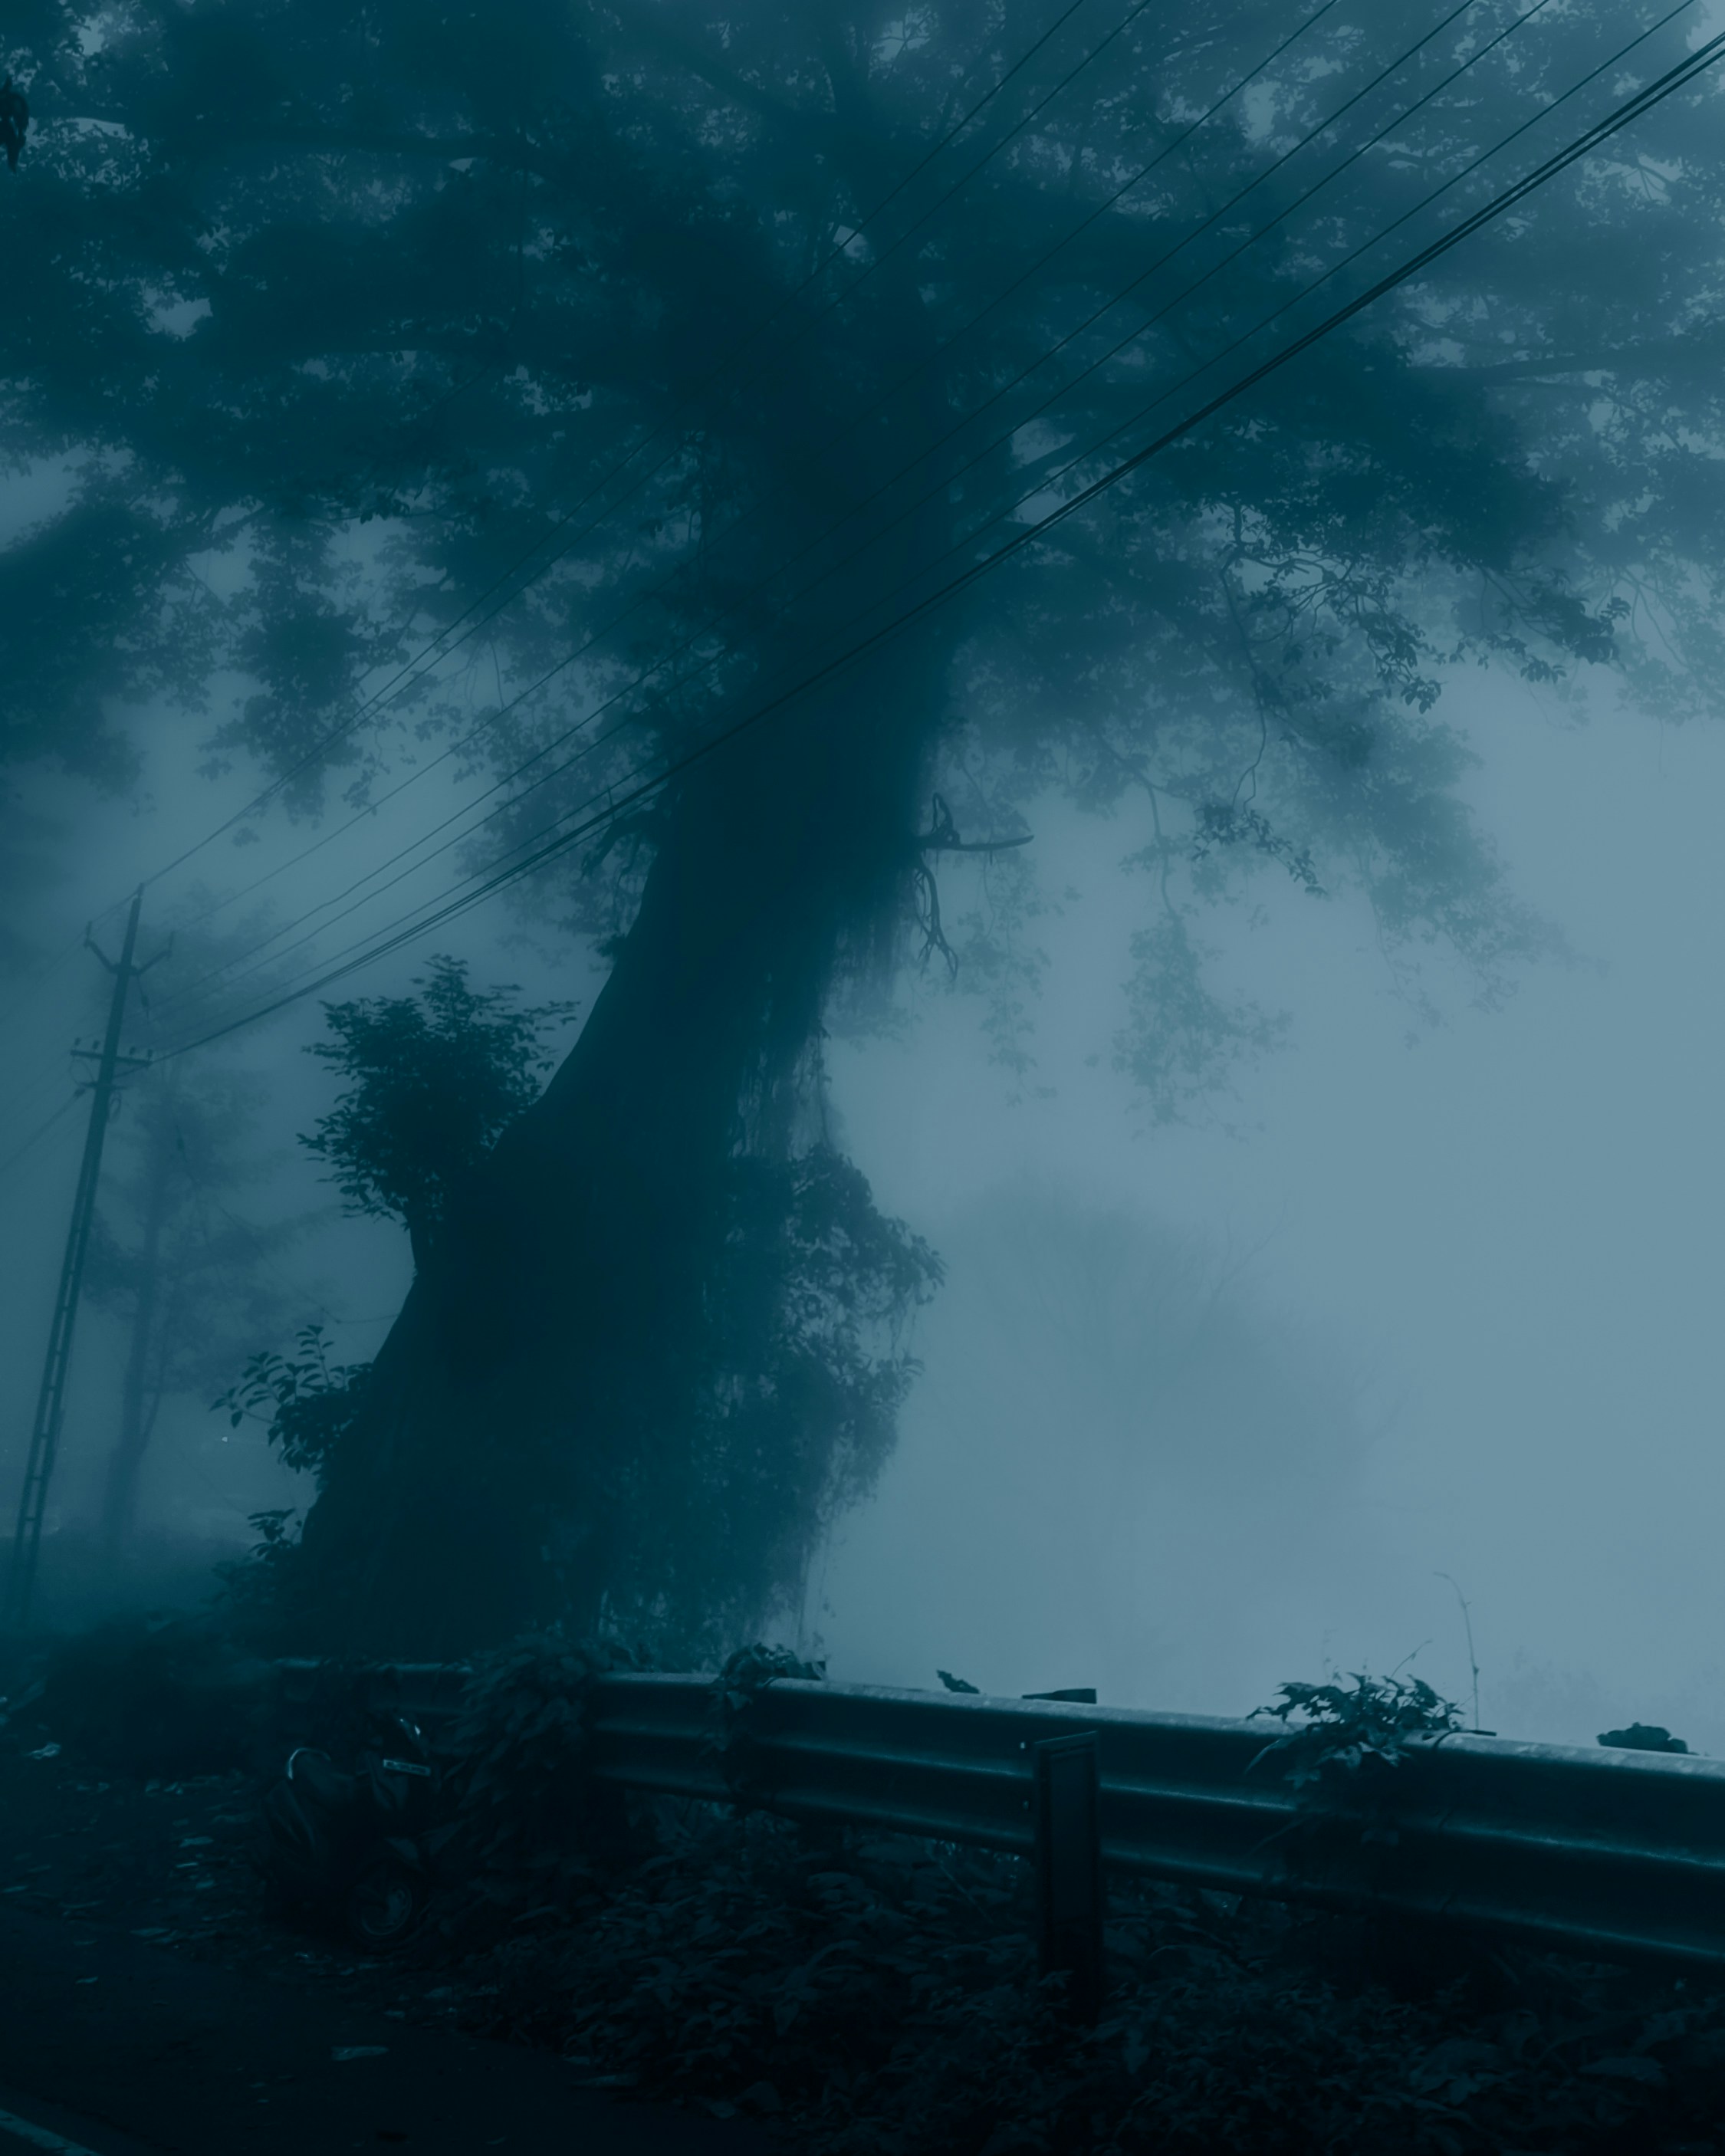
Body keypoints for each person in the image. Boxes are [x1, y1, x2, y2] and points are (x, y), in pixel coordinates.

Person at [0, 77, 29, 173]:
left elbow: (20, 117)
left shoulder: (15, 101)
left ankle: (12, 162)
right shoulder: (13, 100)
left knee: (11, 139)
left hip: (8, 127)